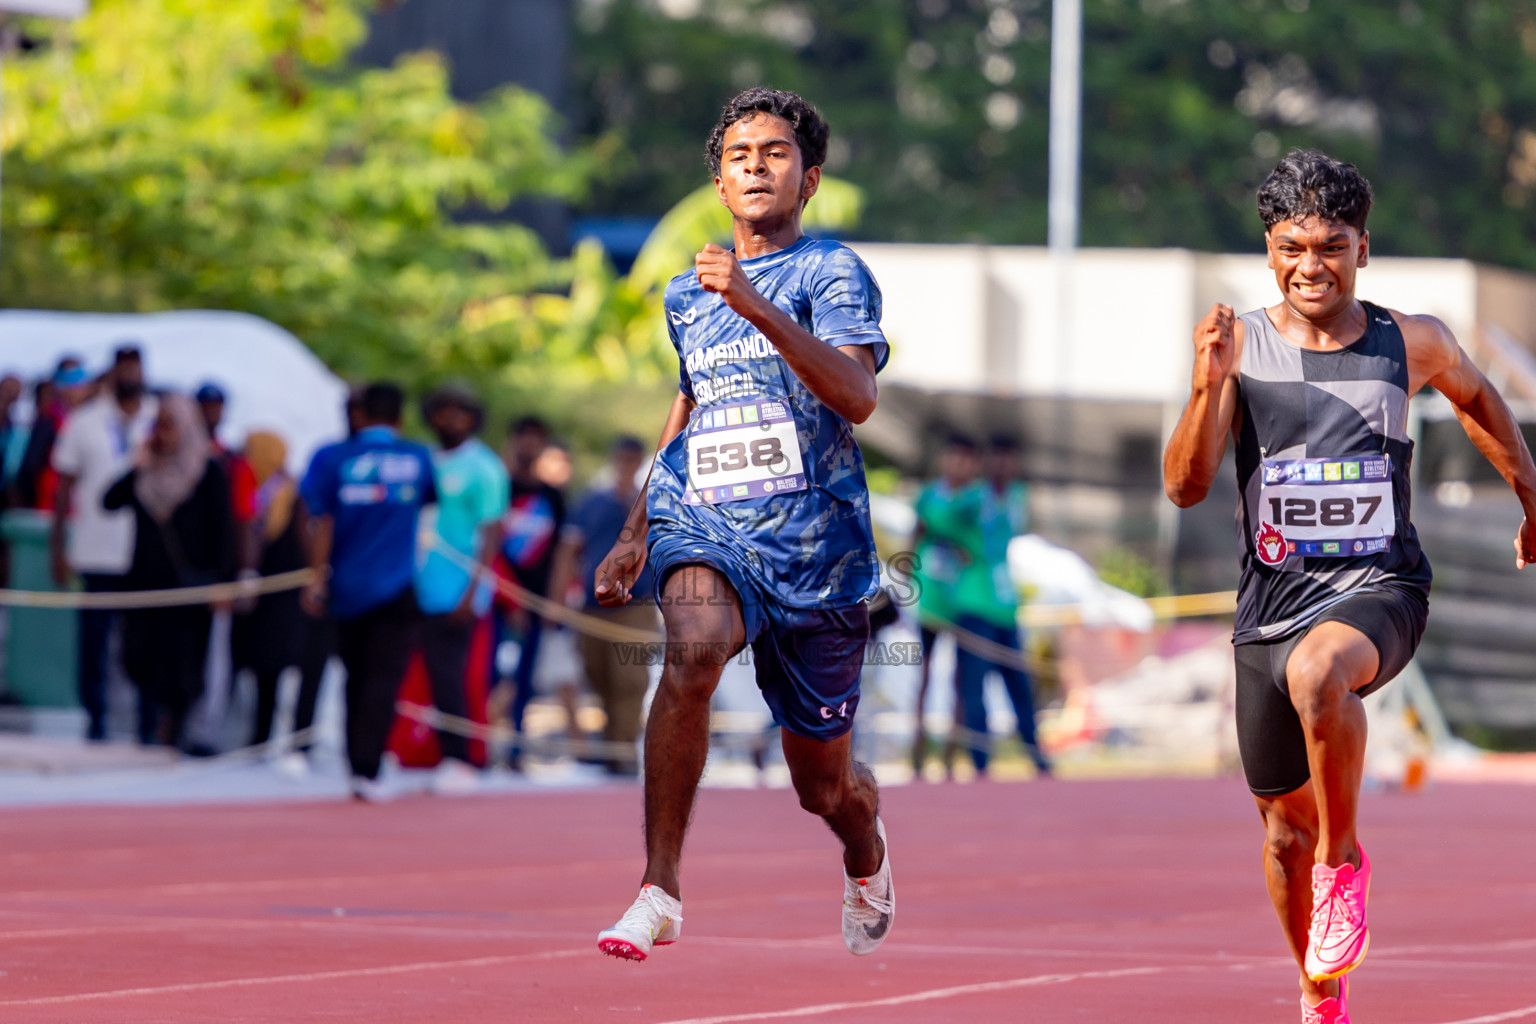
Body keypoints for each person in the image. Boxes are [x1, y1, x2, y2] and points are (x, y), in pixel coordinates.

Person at [1163, 149, 1536, 1024]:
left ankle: (1345, 863)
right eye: (1292, 247)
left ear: (1363, 248)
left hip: (1382, 588)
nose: (1310, 267)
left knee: (1319, 675)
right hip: (1270, 607)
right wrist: (1205, 385)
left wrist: (1530, 492)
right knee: (1280, 833)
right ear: (1268, 250)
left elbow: (1479, 400)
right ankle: (1317, 985)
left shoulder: (1411, 341)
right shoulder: (1240, 347)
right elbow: (1185, 485)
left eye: (1330, 246)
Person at [593, 88, 893, 962]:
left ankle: (866, 851)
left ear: (810, 179)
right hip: (706, 524)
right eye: (739, 156)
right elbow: (689, 407)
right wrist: (636, 525)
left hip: (816, 555)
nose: (756, 166)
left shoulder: (831, 273)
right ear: (719, 184)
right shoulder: (687, 295)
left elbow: (858, 395)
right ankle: (659, 887)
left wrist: (754, 301)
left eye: (775, 154)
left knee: (824, 787)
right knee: (691, 650)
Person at [300, 382, 437, 801]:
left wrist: (316, 576)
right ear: (399, 417)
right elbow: (429, 506)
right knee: (383, 680)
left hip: (345, 587)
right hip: (396, 587)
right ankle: (368, 767)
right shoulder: (417, 457)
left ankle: (356, 763)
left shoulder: (331, 457)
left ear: (358, 413)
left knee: (353, 677)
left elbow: (316, 519)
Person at [103, 394, 235, 748]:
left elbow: (224, 530)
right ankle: (152, 726)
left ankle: (172, 733)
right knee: (138, 657)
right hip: (146, 584)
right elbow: (110, 501)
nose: (163, 434)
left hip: (190, 588)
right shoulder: (148, 470)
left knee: (184, 666)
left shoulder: (208, 471)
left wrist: (224, 583)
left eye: (169, 425)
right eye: (158, 425)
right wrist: (138, 464)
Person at [49, 346, 158, 741]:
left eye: (136, 366)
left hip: (144, 553)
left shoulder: (157, 419)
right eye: (123, 367)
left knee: (144, 643)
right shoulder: (84, 421)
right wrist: (58, 548)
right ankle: (96, 720)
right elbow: (64, 487)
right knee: (94, 643)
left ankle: (148, 725)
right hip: (96, 549)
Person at [414, 385, 508, 792]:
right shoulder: (423, 459)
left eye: (461, 411)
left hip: (456, 590)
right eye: (443, 409)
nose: (451, 418)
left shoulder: (484, 466)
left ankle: (459, 758)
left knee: (448, 674)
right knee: (408, 675)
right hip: (414, 584)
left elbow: (491, 532)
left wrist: (473, 592)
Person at [550, 435, 659, 776]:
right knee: (599, 676)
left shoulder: (650, 502)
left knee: (630, 679)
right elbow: (568, 551)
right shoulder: (589, 502)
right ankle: (613, 744)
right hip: (593, 605)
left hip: (637, 604)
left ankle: (623, 751)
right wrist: (556, 602)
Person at [951, 435, 1051, 777]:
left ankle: (1037, 757)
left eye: (1010, 459)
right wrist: (953, 548)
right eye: (998, 459)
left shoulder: (1016, 497)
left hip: (1005, 605)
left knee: (1019, 686)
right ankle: (980, 763)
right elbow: (937, 521)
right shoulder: (971, 497)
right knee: (974, 689)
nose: (1004, 467)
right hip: (974, 603)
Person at [231, 430, 312, 756]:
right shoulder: (247, 489)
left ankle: (264, 736)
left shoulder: (291, 494)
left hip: (281, 598)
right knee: (244, 664)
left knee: (272, 669)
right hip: (251, 593)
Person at [496, 415, 565, 769]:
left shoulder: (552, 496)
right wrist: (510, 601)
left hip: (536, 603)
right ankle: (479, 745)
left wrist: (553, 602)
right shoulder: (499, 488)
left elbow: (560, 554)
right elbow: (489, 547)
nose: (530, 445)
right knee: (491, 675)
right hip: (496, 603)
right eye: (524, 437)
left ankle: (515, 750)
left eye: (537, 438)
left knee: (526, 680)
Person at [909, 434, 979, 779]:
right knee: (923, 675)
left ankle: (952, 754)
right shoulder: (928, 495)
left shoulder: (976, 499)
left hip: (962, 599)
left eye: (965, 460)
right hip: (930, 599)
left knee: (959, 680)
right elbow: (916, 534)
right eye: (954, 458)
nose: (958, 466)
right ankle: (919, 751)